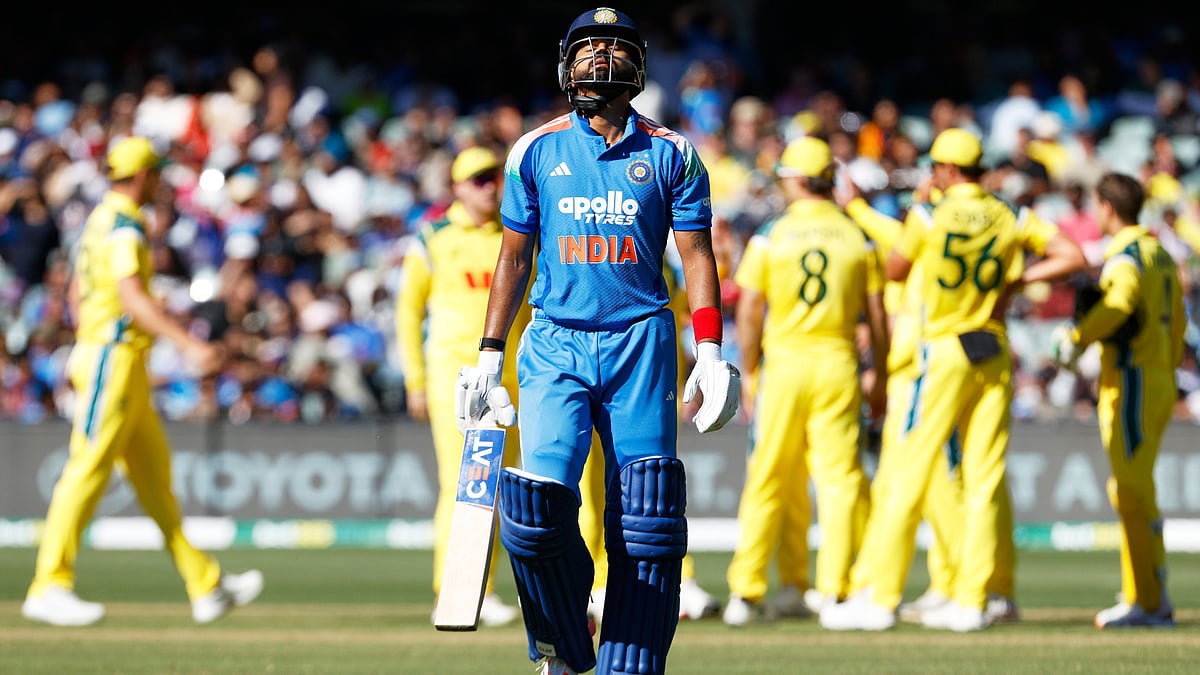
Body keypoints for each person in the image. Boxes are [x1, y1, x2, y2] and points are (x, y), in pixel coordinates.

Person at [454, 8, 739, 674]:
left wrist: (712, 350)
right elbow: (513, 260)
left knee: (647, 519)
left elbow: (696, 254)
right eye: (587, 48)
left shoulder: (672, 152)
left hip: (642, 340)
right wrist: (488, 354)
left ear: (638, 66)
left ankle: (629, 663)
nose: (599, 59)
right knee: (535, 509)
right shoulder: (534, 150)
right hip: (555, 342)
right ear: (565, 63)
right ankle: (560, 640)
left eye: (613, 47)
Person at [820, 128, 1086, 633]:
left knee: (906, 474)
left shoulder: (929, 214)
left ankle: (881, 596)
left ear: (943, 170)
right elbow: (1072, 256)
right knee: (984, 482)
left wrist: (917, 213)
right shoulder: (1011, 214)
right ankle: (973, 599)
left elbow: (897, 267)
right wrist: (1019, 280)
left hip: (942, 350)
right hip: (993, 348)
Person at [21, 136, 263, 627]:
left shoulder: (98, 220)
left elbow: (76, 292)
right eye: (155, 173)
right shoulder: (126, 225)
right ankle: (49, 584)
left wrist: (91, 335)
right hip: (113, 360)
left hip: (117, 358)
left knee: (155, 484)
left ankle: (205, 584)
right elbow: (131, 297)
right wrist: (189, 344)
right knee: (86, 470)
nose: (160, 182)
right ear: (141, 175)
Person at [839, 178, 1021, 625]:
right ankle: (959, 585)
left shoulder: (927, 241)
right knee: (951, 483)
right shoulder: (938, 240)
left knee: (924, 483)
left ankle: (961, 585)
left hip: (926, 371)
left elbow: (893, 238)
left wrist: (860, 207)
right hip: (929, 367)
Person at [722, 136, 887, 626]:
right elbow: (876, 315)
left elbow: (750, 308)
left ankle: (747, 592)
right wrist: (879, 369)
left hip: (786, 365)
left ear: (796, 180)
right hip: (837, 363)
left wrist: (749, 369)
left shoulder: (773, 234)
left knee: (769, 478)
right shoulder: (858, 236)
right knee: (840, 482)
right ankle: (835, 590)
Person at [1050, 172, 1185, 628]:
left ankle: (1146, 600)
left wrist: (1077, 336)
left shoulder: (1126, 256)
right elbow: (1179, 324)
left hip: (1131, 381)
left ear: (1106, 207)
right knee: (1137, 490)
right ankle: (1146, 591)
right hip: (1157, 377)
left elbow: (1119, 303)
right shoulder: (1161, 254)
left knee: (1129, 489)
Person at [395, 146, 521, 627]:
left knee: (508, 491)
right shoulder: (434, 237)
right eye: (478, 179)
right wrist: (416, 381)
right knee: (465, 484)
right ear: (458, 187)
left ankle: (486, 589)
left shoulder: (515, 232)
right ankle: (460, 591)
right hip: (459, 376)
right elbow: (408, 312)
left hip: (514, 375)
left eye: (493, 177)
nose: (489, 186)